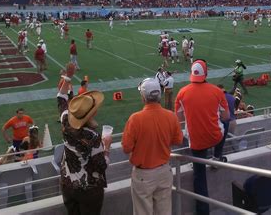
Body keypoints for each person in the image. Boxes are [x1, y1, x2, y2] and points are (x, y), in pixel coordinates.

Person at [175, 60, 230, 215]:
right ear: (206, 73)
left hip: (196, 141)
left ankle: (203, 211)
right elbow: (226, 116)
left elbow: (178, 120)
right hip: (215, 137)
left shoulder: (182, 93)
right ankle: (217, 156)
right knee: (224, 125)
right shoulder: (217, 91)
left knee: (200, 176)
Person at [122, 78, 183, 215]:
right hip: (164, 171)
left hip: (143, 174)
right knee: (164, 211)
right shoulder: (171, 116)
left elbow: (126, 148)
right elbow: (178, 140)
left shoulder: (135, 119)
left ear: (143, 97)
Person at [60, 91, 111, 215]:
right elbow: (101, 166)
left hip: (67, 184)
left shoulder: (65, 120)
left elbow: (61, 100)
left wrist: (67, 78)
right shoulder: (92, 137)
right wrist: (107, 148)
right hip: (88, 189)